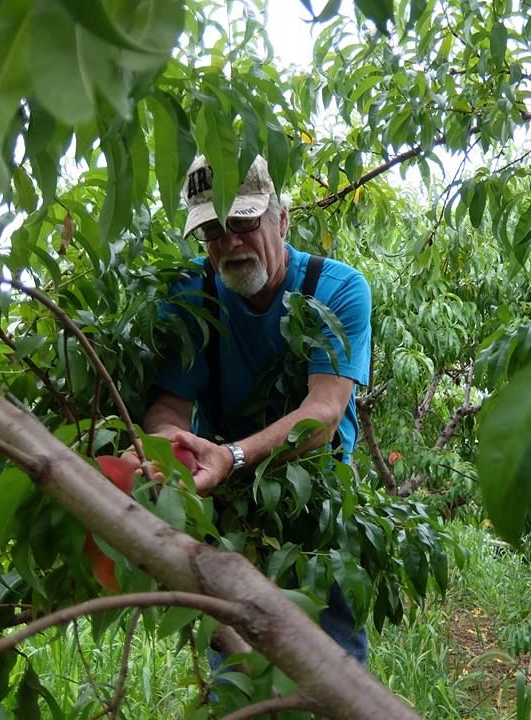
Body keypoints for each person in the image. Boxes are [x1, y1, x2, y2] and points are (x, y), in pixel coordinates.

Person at [141, 154, 372, 665]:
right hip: (225, 501)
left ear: (282, 219)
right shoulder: (189, 296)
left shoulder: (338, 291)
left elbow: (325, 412)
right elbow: (169, 406)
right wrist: (170, 451)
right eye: (212, 232)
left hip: (321, 501)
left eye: (243, 224)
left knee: (336, 664)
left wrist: (231, 456)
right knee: (239, 671)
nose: (229, 245)